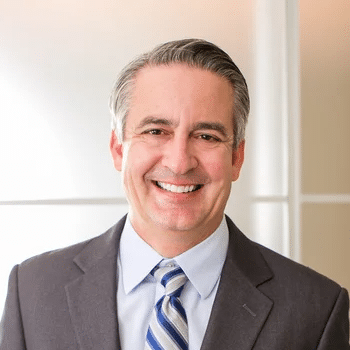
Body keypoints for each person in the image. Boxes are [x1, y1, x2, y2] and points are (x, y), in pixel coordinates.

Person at [0, 39, 349, 350]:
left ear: (236, 158)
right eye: (156, 131)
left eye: (207, 136)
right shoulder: (32, 292)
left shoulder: (315, 310)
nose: (180, 162)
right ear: (119, 149)